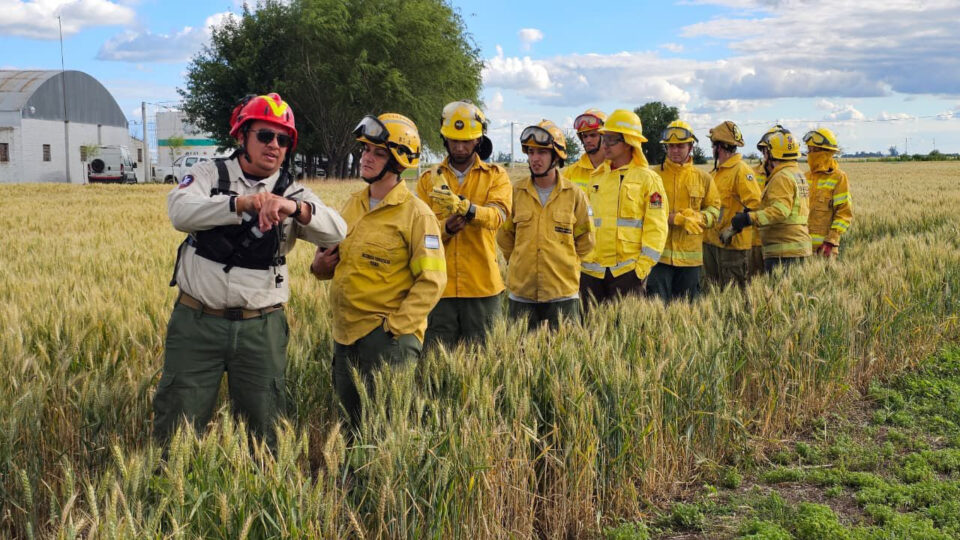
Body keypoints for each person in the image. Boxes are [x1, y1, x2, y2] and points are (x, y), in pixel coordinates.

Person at [156, 93, 347, 447]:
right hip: (197, 322)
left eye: (283, 139)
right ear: (242, 136)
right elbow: (179, 212)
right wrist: (240, 204)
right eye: (264, 135)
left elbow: (337, 230)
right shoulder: (208, 173)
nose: (274, 145)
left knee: (266, 425)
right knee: (178, 422)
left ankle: (262, 493)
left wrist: (292, 208)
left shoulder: (293, 190)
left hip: (261, 327)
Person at [311, 113, 446, 427]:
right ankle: (350, 478)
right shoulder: (351, 205)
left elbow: (433, 281)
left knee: (386, 428)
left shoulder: (417, 215)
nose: (366, 158)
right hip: (345, 335)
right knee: (349, 426)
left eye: (378, 153)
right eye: (365, 150)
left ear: (398, 160)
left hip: (387, 341)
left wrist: (394, 328)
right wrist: (318, 267)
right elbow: (331, 262)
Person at [416, 100, 512, 348]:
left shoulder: (496, 176)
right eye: (453, 140)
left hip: (483, 288)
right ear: (444, 138)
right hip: (440, 288)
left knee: (486, 363)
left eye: (466, 141)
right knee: (436, 365)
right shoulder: (428, 179)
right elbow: (419, 231)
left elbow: (497, 216)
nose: (459, 147)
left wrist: (467, 209)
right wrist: (445, 229)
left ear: (478, 140)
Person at [497, 120, 595, 330]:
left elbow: (586, 241)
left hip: (563, 295)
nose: (534, 159)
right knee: (518, 356)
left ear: (556, 156)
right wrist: (520, 261)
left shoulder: (575, 195)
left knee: (565, 358)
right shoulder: (515, 193)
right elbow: (505, 238)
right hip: (522, 294)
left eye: (541, 152)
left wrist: (564, 264)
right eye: (531, 152)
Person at [578, 109, 669, 309]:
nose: (605, 144)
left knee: (626, 334)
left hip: (627, 273)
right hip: (592, 273)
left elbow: (657, 227)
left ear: (629, 142)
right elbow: (586, 222)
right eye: (604, 138)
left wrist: (641, 269)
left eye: (612, 139)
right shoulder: (596, 177)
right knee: (590, 334)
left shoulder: (648, 179)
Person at [648, 120, 721, 302]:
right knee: (656, 314)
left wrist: (700, 217)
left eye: (680, 146)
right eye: (671, 146)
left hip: (690, 261)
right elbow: (644, 212)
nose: (675, 151)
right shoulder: (653, 176)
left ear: (691, 147)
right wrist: (676, 219)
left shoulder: (704, 178)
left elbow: (715, 210)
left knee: (687, 314)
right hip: (658, 258)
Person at [728, 129, 811, 272]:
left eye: (766, 151)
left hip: (783, 250)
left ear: (772, 154)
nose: (765, 155)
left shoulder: (781, 177)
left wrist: (748, 218)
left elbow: (780, 211)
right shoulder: (798, 174)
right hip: (797, 246)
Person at [702, 121, 763, 288]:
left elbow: (755, 205)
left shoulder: (741, 171)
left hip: (733, 248)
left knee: (734, 295)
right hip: (712, 243)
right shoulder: (716, 172)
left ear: (720, 147)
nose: (712, 149)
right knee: (713, 295)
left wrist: (733, 229)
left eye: (713, 145)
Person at [803, 127, 853, 257]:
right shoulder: (805, 177)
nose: (811, 154)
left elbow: (844, 213)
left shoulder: (838, 177)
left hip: (825, 251)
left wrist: (831, 240)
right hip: (801, 248)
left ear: (828, 152)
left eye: (815, 150)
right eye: (809, 150)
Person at [561, 109, 610, 193]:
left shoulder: (616, 169)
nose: (588, 140)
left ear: (605, 137)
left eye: (593, 135)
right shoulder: (570, 173)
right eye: (585, 136)